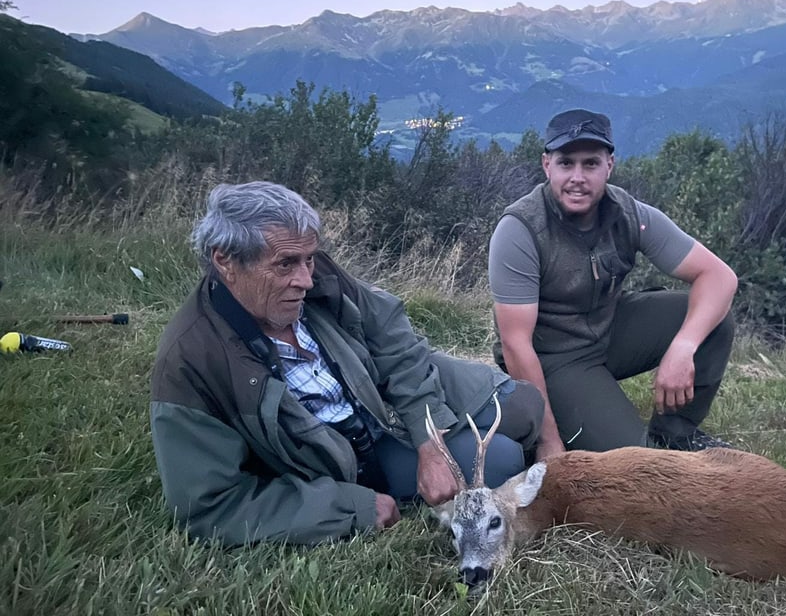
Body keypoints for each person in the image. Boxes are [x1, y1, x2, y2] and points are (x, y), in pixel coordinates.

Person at [150, 181, 543, 546]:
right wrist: (349, 509)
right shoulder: (190, 361)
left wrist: (429, 442)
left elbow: (393, 338)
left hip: (377, 406)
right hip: (340, 464)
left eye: (309, 259)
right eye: (285, 264)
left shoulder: (312, 273)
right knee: (504, 458)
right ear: (226, 262)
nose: (305, 279)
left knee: (526, 408)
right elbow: (207, 507)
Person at [489, 109, 738, 460]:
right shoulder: (521, 229)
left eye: (590, 164)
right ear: (547, 165)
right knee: (638, 465)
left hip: (609, 330)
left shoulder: (629, 213)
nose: (577, 177)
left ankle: (676, 431)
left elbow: (720, 277)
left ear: (610, 165)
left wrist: (683, 346)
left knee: (713, 318)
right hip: (554, 358)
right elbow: (516, 345)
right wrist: (547, 440)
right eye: (566, 163)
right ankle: (576, 421)